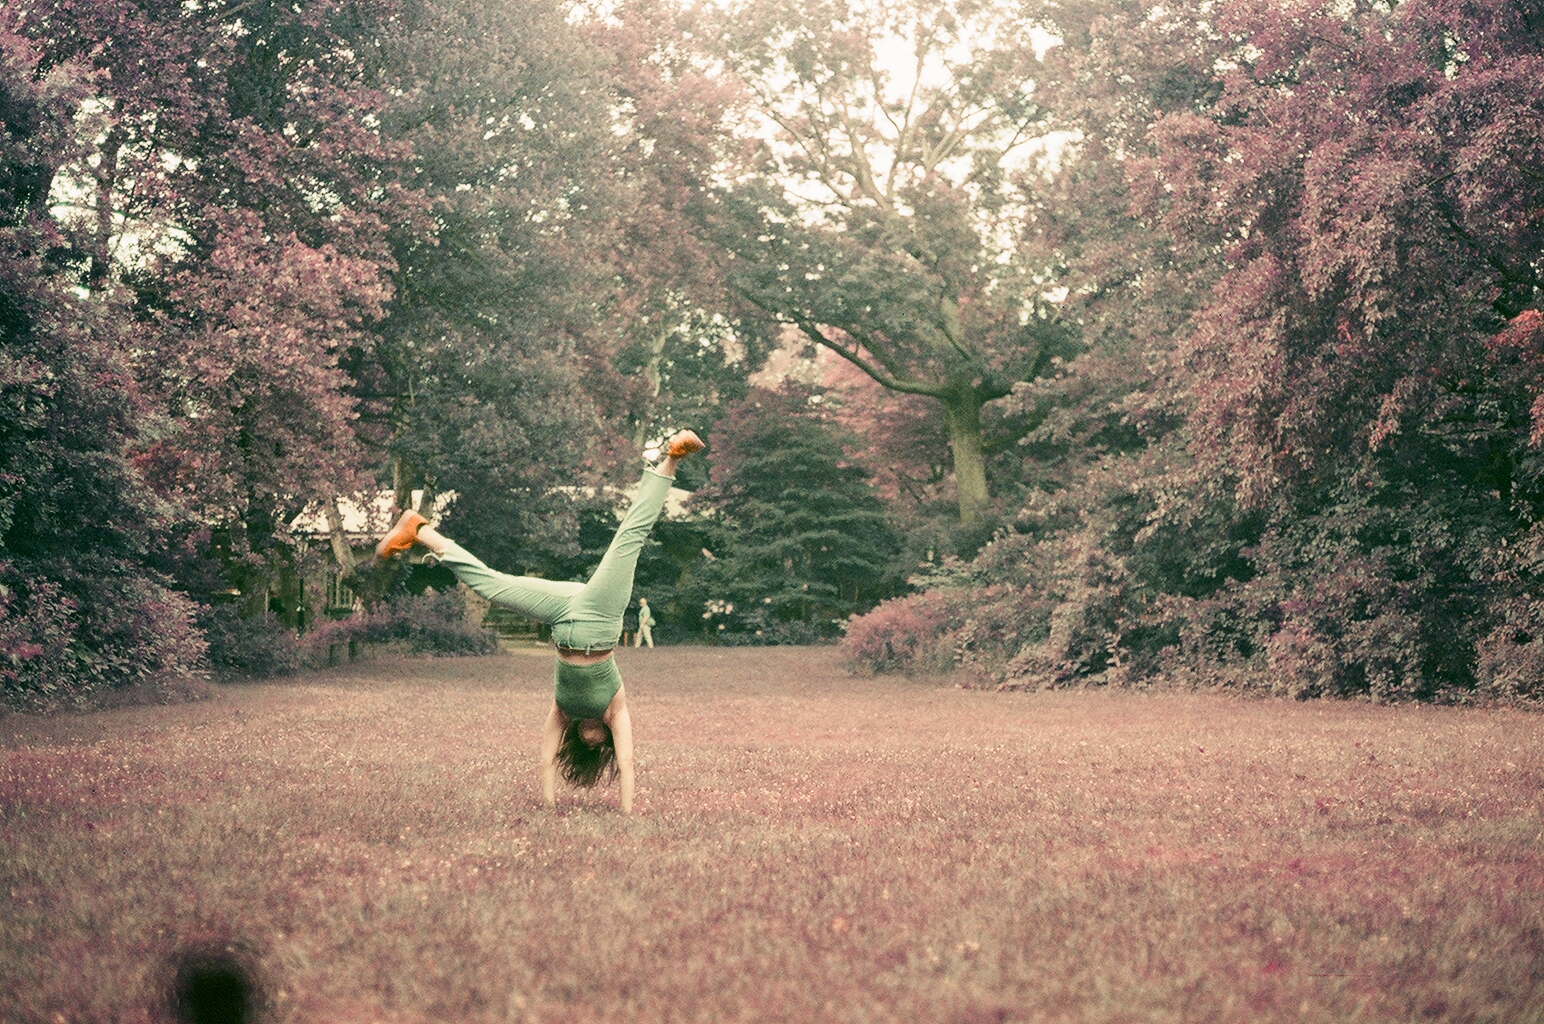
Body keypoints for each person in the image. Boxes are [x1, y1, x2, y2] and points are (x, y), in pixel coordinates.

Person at [374, 429, 705, 814]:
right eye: (603, 744)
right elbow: (629, 765)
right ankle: (672, 458)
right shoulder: (615, 710)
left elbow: (546, 761)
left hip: (563, 616)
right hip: (599, 615)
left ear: (582, 744)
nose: (596, 741)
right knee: (629, 539)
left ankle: (418, 530)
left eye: (591, 745)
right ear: (607, 743)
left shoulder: (563, 711)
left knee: (494, 587)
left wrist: (549, 810)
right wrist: (627, 816)